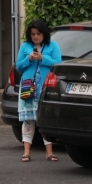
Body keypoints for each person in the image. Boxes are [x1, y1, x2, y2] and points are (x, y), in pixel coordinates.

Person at [15, 18, 62, 161]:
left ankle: (49, 152)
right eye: (33, 34)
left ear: (44, 34)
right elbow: (18, 66)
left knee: (45, 120)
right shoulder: (25, 46)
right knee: (28, 120)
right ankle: (26, 152)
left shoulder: (53, 46)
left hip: (45, 88)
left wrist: (42, 58)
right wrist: (28, 59)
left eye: (38, 34)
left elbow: (58, 64)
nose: (35, 37)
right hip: (28, 86)